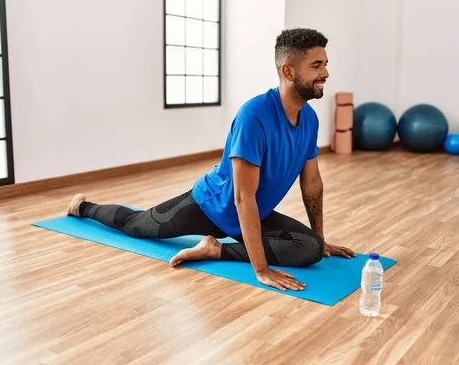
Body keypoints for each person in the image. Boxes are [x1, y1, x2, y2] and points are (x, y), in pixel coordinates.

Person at [66, 28, 355, 292]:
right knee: (136, 226)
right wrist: (262, 269)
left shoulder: (309, 119)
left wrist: (321, 239)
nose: (326, 73)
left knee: (310, 249)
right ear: (289, 72)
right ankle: (83, 206)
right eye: (316, 66)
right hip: (211, 206)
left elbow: (312, 183)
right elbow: (242, 198)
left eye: (325, 64)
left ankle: (214, 249)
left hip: (255, 213)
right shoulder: (254, 116)